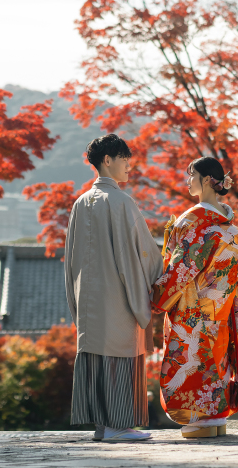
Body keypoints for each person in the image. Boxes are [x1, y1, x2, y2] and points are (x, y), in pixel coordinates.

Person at [65, 134, 164, 442]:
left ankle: (102, 426)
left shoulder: (80, 202)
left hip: (89, 298)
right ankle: (118, 426)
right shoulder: (121, 201)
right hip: (118, 294)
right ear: (107, 160)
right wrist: (162, 276)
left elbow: (71, 257)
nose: (128, 166)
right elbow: (142, 251)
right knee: (120, 355)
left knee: (97, 357)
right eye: (124, 159)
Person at [151, 156, 238, 438]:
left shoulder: (192, 221)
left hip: (192, 311)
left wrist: (157, 298)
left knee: (192, 359)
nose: (187, 181)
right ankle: (216, 418)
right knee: (216, 360)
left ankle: (200, 420)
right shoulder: (235, 231)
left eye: (191, 175)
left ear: (207, 180)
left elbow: (180, 268)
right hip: (222, 309)